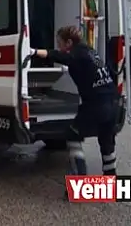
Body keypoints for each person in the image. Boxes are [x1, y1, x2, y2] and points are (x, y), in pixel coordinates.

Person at [30, 26, 119, 188]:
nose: (59, 46)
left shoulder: (76, 54)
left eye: (60, 43)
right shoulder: (91, 52)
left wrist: (32, 52)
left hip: (95, 105)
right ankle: (111, 181)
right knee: (107, 142)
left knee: (72, 135)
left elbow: (56, 55)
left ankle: (79, 178)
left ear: (69, 42)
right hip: (113, 102)